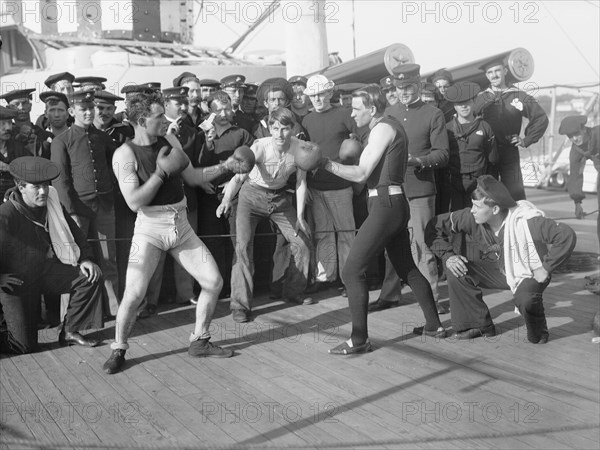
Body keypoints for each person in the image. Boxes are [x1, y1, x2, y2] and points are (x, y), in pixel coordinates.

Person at [102, 91, 252, 374]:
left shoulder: (169, 140)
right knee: (134, 294)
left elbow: (193, 176)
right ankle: (119, 348)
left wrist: (226, 166)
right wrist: (160, 174)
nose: (165, 121)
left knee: (213, 281)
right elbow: (134, 201)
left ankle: (200, 340)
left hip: (180, 223)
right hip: (149, 227)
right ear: (143, 120)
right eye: (159, 117)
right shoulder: (124, 154)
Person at [317, 85, 444, 354]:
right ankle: (434, 326)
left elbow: (362, 173)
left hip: (386, 204)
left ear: (372, 109)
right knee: (407, 268)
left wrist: (324, 163)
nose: (352, 113)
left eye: (356, 108)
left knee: (351, 271)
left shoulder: (383, 128)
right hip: (390, 202)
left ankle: (359, 339)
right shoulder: (386, 126)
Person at [425, 175, 576, 343]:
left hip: (530, 272)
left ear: (495, 209)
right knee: (457, 268)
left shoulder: (527, 221)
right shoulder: (472, 217)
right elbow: (434, 226)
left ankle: (539, 332)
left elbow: (566, 235)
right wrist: (448, 256)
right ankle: (478, 325)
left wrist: (546, 267)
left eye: (477, 206)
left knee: (526, 301)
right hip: (498, 269)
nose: (472, 210)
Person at [0, 156, 104, 354]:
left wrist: (86, 258)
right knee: (24, 346)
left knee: (89, 277)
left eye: (46, 186)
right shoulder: (6, 214)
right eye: (35, 187)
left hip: (44, 271)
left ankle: (70, 331)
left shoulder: (52, 201)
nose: (43, 192)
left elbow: (75, 232)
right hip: (16, 283)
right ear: (20, 187)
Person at [217, 108, 312, 323]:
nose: (280, 134)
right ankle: (240, 305)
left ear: (293, 129)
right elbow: (238, 178)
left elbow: (300, 182)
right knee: (242, 248)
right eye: (275, 128)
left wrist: (300, 216)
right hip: (251, 197)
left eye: (285, 129)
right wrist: (225, 200)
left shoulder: (300, 148)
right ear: (270, 128)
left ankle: (292, 291)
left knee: (303, 244)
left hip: (279, 198)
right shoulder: (260, 147)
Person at [372, 64, 449, 313]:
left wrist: (418, 161)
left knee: (422, 247)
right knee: (391, 245)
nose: (403, 92)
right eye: (398, 87)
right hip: (393, 189)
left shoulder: (433, 113)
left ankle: (432, 303)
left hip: (420, 189)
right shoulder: (389, 112)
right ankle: (390, 294)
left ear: (418, 85)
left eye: (408, 87)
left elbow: (443, 154)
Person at [50, 89, 120, 317]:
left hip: (104, 206)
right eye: (84, 109)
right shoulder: (62, 141)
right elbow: (60, 180)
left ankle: (115, 309)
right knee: (74, 262)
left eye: (92, 108)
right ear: (72, 111)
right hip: (77, 210)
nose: (90, 112)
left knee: (109, 259)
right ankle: (69, 316)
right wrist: (70, 212)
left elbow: (117, 163)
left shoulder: (101, 137)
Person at [302, 74, 358, 293]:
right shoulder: (306, 120)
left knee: (346, 232)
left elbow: (361, 137)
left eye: (321, 94)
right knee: (323, 232)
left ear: (330, 94)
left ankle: (349, 279)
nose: (317, 99)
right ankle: (325, 277)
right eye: (313, 95)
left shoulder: (344, 114)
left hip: (341, 185)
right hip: (316, 185)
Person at [196, 90, 254, 299]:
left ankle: (236, 288)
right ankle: (216, 286)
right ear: (209, 112)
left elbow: (250, 163)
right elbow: (194, 163)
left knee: (236, 241)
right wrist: (202, 182)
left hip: (236, 194)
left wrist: (233, 182)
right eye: (218, 110)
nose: (223, 113)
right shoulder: (201, 133)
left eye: (227, 108)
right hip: (207, 195)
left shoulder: (241, 134)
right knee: (212, 242)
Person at [473, 57, 549, 201]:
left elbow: (540, 118)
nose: (494, 75)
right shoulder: (481, 98)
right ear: (486, 75)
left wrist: (527, 139)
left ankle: (517, 221)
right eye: (490, 72)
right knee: (487, 193)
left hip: (509, 151)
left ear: (505, 71)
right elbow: (468, 121)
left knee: (515, 192)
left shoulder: (519, 95)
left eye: (497, 71)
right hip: (487, 153)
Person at [444, 81, 498, 210]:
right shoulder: (447, 129)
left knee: (478, 221)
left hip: (478, 183)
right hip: (454, 182)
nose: (463, 106)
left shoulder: (484, 127)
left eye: (467, 102)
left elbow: (493, 159)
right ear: (454, 106)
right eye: (459, 104)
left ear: (473, 101)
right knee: (457, 220)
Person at [559, 115, 599, 250]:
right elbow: (576, 175)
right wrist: (577, 202)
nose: (574, 139)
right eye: (570, 136)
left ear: (584, 129)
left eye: (576, 134)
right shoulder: (576, 150)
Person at [0, 88, 53, 158]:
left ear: (30, 106)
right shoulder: (6, 137)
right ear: (8, 108)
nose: (21, 107)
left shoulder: (45, 135)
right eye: (16, 104)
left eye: (24, 103)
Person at [0, 106, 30, 200]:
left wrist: (9, 168)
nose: (8, 128)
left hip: (15, 202)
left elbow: (30, 173)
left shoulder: (19, 149)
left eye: (9, 123)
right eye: (2, 124)